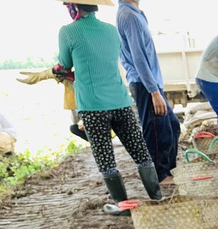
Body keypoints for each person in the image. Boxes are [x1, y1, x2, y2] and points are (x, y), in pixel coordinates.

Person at [56, 1, 161, 215]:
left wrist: (58, 70)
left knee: (105, 156)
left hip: (93, 106)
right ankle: (157, 198)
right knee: (140, 151)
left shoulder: (67, 32)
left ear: (74, 8)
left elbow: (64, 64)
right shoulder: (111, 30)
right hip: (121, 101)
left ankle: (122, 205)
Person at [117, 0, 181, 186]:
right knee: (154, 130)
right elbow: (138, 57)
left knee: (172, 125)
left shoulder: (134, 13)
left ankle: (167, 171)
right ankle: (159, 176)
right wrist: (153, 91)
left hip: (149, 81)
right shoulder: (129, 16)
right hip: (144, 83)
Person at [16, 65, 87, 141]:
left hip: (96, 119)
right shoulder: (74, 91)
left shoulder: (83, 82)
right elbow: (75, 120)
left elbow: (61, 67)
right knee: (74, 128)